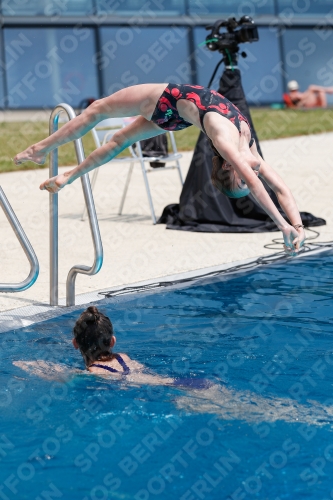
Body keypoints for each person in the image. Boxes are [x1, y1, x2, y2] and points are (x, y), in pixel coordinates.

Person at [14, 83, 305, 255]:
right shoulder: (245, 151)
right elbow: (276, 188)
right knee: (116, 139)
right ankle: (66, 171)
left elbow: (268, 189)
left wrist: (289, 226)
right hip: (175, 112)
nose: (253, 175)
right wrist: (291, 226)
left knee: (99, 110)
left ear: (229, 168)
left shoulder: (228, 142)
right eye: (247, 178)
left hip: (165, 99)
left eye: (245, 179)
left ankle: (42, 153)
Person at [14, 306, 210, 389]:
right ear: (113, 341)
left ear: (75, 344)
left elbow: (57, 375)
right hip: (183, 383)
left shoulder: (92, 373)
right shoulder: (124, 357)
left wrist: (19, 364)